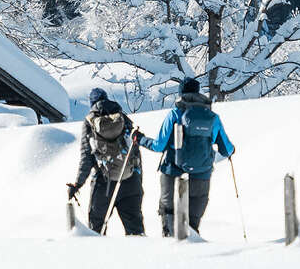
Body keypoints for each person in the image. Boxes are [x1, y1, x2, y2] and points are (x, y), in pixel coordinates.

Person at [138, 76, 235, 237]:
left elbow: (159, 145)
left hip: (172, 169)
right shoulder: (212, 117)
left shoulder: (175, 114)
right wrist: (232, 150)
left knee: (168, 211)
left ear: (181, 93)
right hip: (202, 171)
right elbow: (226, 149)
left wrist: (140, 139)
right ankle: (193, 239)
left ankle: (169, 237)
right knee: (193, 220)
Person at [66, 87, 144, 235]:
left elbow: (86, 157)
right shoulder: (123, 118)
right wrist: (138, 179)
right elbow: (135, 150)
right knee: (136, 231)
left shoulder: (90, 122)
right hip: (129, 180)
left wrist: (78, 184)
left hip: (104, 183)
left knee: (97, 230)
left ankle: (97, 258)